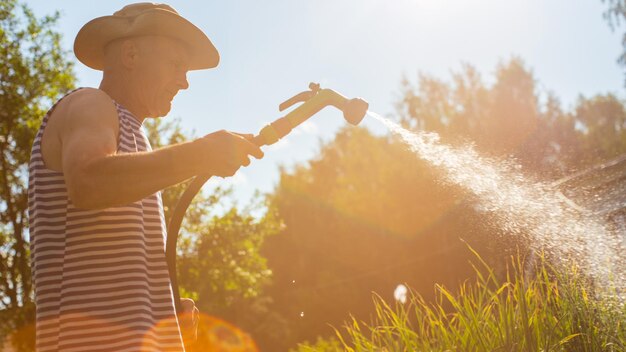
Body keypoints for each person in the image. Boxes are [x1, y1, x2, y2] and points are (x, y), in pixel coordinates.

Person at [27, 3, 263, 351]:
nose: (184, 82)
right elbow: (88, 182)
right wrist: (199, 154)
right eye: (176, 65)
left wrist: (162, 318)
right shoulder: (90, 103)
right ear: (132, 54)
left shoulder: (132, 137)